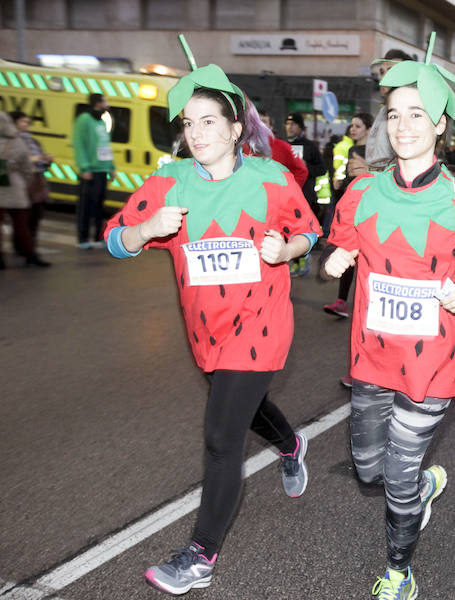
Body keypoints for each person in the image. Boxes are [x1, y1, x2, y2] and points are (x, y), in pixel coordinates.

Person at [102, 65, 322, 595]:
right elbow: (113, 239)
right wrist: (144, 230)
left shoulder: (271, 179)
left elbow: (310, 230)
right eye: (188, 123)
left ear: (235, 128)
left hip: (263, 323)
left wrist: (287, 250)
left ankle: (200, 557)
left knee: (222, 436)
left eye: (208, 121)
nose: (196, 133)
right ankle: (291, 444)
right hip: (206, 330)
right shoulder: (168, 181)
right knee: (246, 407)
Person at [321, 36, 455, 599]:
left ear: (439, 125)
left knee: (398, 476)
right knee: (368, 469)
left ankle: (399, 571)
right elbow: (342, 241)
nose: (403, 125)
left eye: (416, 114)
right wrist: (338, 255)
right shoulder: (362, 190)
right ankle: (423, 489)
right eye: (394, 114)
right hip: (372, 354)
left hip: (433, 359)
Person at [324, 112, 375, 318]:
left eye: (358, 126)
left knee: (368, 260)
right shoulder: (352, 149)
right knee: (346, 254)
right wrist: (341, 183)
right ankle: (341, 301)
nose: (352, 129)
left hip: (370, 210)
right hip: (352, 209)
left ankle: (370, 306)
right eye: (352, 125)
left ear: (369, 129)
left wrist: (369, 170)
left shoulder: (378, 150)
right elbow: (351, 177)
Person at [1, 111, 46, 268]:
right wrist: (24, 181)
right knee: (21, 224)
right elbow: (27, 168)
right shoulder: (17, 142)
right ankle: (30, 254)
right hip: (15, 187)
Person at [9, 110, 53, 264]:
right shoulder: (12, 141)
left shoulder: (33, 141)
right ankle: (24, 249)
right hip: (22, 184)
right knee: (22, 220)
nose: (27, 124)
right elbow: (13, 162)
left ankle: (29, 248)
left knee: (35, 217)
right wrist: (35, 159)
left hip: (37, 182)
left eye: (27, 121)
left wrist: (46, 160)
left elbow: (38, 160)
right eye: (23, 121)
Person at [72, 93, 115, 249]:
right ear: (98, 103)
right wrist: (84, 167)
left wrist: (111, 167)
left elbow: (105, 145)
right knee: (85, 206)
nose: (107, 104)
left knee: (99, 206)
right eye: (105, 101)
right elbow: (79, 143)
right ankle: (83, 239)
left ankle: (98, 237)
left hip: (102, 169)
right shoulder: (84, 119)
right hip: (90, 170)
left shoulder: (101, 121)